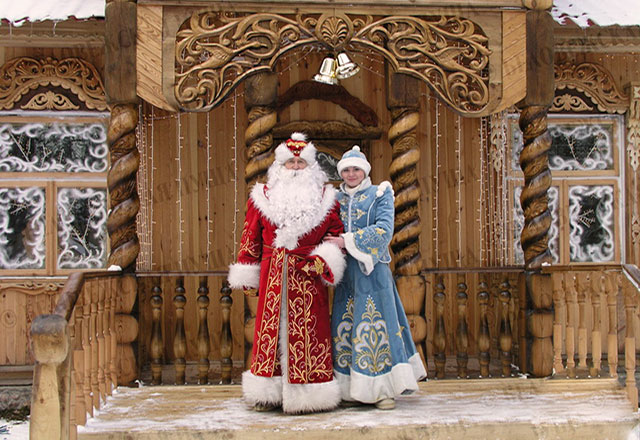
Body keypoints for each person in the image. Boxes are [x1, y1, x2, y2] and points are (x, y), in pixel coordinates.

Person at [227, 132, 346, 414]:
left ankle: (311, 395)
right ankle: (268, 393)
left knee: (311, 331)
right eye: (290, 163)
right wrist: (247, 271)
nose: (294, 167)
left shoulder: (327, 199)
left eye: (300, 163)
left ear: (311, 167)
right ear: (279, 167)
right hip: (273, 274)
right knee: (268, 331)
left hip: (308, 277)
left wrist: (321, 261)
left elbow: (335, 235)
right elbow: (250, 237)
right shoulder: (262, 197)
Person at [325, 145, 427, 410]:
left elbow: (384, 230)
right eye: (346, 170)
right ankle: (349, 390)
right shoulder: (334, 199)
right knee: (346, 326)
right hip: (347, 275)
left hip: (373, 272)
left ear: (365, 171)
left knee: (377, 325)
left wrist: (344, 241)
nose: (351, 174)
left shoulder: (380, 193)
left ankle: (383, 391)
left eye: (356, 169)